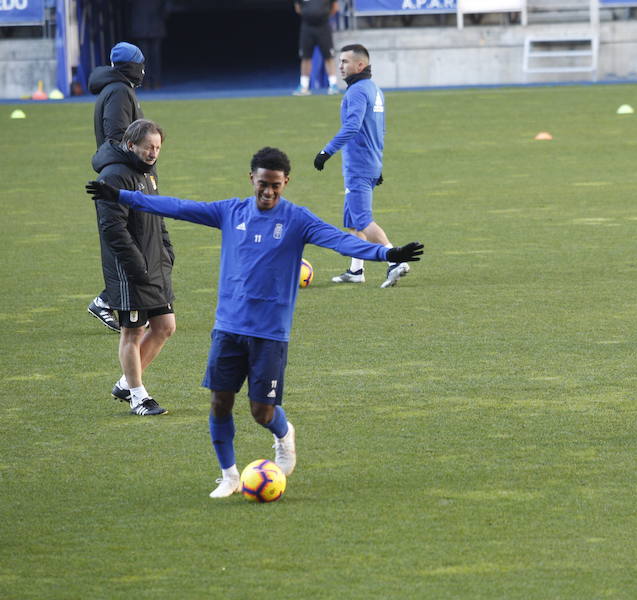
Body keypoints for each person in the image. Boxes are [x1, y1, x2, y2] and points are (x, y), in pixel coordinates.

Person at [86, 147, 424, 497]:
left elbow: (340, 241)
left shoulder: (298, 219)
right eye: (263, 184)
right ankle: (229, 475)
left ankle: (284, 434)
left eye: (276, 185)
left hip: (270, 334)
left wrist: (387, 253)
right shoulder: (230, 211)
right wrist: (122, 196)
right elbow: (179, 207)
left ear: (286, 182)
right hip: (228, 328)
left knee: (261, 411)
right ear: (252, 179)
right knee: (220, 402)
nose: (268, 192)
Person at [91, 119, 175, 417]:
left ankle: (127, 383)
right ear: (131, 145)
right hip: (130, 269)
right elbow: (113, 229)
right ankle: (138, 396)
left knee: (165, 327)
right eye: (148, 147)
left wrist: (166, 249)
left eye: (157, 148)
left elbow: (158, 213)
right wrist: (136, 264)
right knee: (133, 331)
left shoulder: (148, 173)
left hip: (154, 263)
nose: (153, 153)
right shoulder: (114, 177)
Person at [315, 44, 410, 289]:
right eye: (340, 61)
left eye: (345, 62)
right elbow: (380, 130)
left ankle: (395, 260)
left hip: (359, 166)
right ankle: (356, 270)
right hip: (370, 163)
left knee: (363, 219)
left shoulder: (356, 92)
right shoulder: (375, 90)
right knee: (353, 222)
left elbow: (352, 127)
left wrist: (326, 151)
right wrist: (377, 165)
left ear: (360, 65)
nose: (340, 66)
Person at [87, 41, 148, 331]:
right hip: (122, 178)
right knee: (129, 241)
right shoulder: (120, 91)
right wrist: (141, 166)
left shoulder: (117, 89)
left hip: (122, 175)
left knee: (133, 241)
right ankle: (108, 301)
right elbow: (118, 137)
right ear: (132, 67)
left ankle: (116, 300)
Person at [292, 0, 340, 96]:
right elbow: (298, 8)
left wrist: (322, 16)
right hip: (307, 27)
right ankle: (304, 86)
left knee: (328, 56)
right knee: (305, 57)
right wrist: (310, 16)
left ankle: (333, 85)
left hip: (324, 27)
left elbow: (335, 8)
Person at [129, 0, 168, 90]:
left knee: (148, 56)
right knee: (152, 56)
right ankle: (153, 81)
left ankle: (149, 82)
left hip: (145, 25)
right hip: (152, 24)